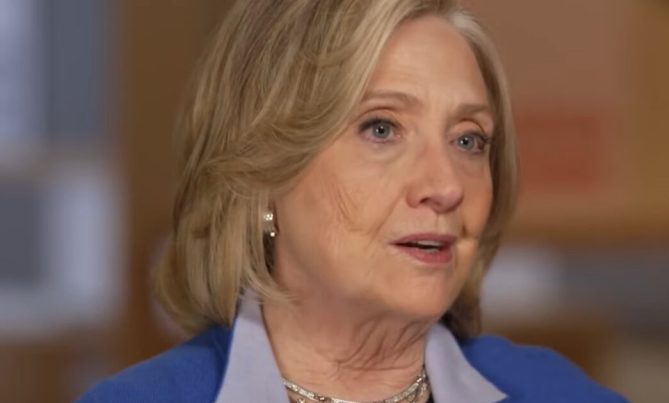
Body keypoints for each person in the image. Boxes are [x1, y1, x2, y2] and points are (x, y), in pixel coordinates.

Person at [79, 0, 627, 402]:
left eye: (468, 140)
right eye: (381, 128)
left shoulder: (561, 395)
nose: (447, 186)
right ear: (264, 173)